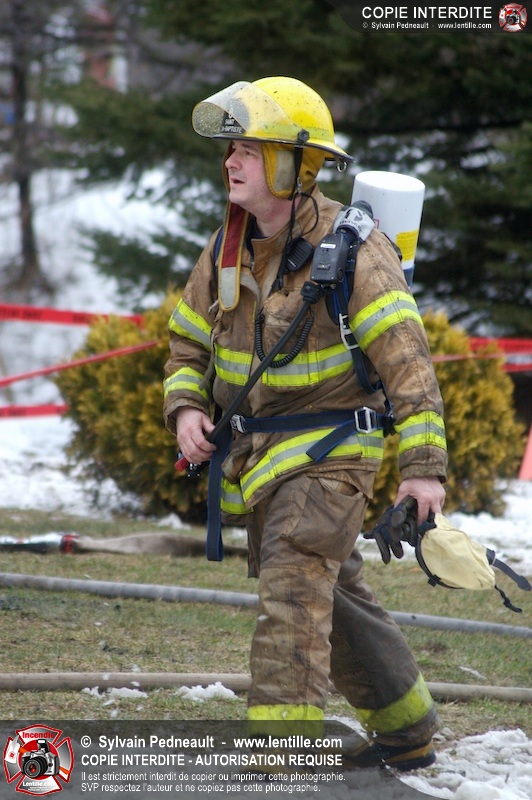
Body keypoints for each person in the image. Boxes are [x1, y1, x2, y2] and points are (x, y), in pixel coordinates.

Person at [163, 76, 447, 771]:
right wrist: (188, 408)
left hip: (333, 456)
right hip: (263, 462)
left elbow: (409, 365)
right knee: (336, 598)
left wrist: (423, 473)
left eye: (250, 150)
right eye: (231, 148)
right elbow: (186, 344)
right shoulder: (226, 248)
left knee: (292, 595)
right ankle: (408, 727)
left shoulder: (356, 250)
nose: (231, 161)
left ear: (297, 165)